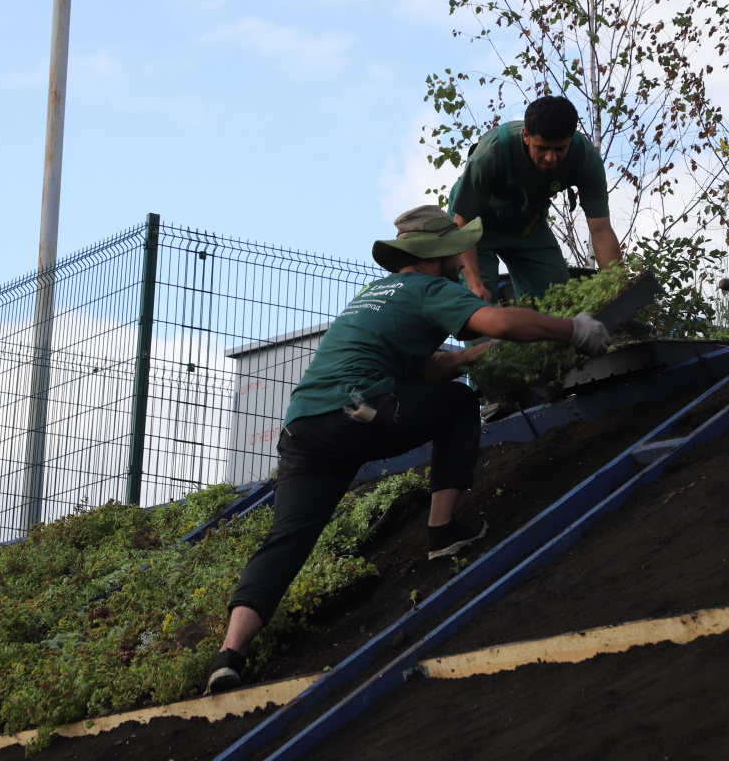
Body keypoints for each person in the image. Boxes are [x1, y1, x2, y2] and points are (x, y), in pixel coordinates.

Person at [202, 205, 612, 694]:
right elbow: (497, 322)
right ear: (437, 255)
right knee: (460, 406)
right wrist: (571, 329)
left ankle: (228, 656)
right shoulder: (429, 289)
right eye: (457, 253)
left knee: (288, 537)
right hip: (359, 412)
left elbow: (432, 368)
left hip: (305, 426)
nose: (464, 261)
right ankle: (443, 533)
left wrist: (478, 356)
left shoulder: (373, 295)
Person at [448, 95, 623, 305]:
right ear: (525, 135)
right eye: (542, 148)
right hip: (475, 227)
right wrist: (474, 283)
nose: (551, 158)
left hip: (526, 226)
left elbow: (601, 230)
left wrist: (618, 290)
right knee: (478, 300)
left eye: (560, 149)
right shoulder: (491, 152)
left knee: (557, 296)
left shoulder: (585, 158)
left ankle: (541, 336)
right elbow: (462, 224)